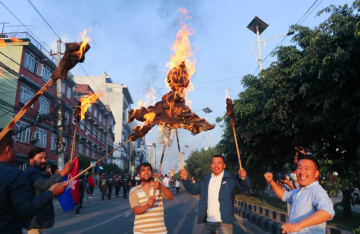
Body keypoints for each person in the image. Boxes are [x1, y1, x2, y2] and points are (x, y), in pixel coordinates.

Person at [0, 130, 68, 234]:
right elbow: (26, 209)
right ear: (8, 149)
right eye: (15, 146)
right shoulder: (15, 174)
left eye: (45, 158)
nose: (44, 161)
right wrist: (52, 191)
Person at [264, 155, 335, 233]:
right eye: (299, 168)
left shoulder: (317, 191)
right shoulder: (298, 191)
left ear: (316, 173)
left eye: (307, 169)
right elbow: (283, 195)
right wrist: (271, 182)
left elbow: (327, 211)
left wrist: (299, 225)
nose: (301, 172)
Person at [180, 155, 250, 234]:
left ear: (224, 165)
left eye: (219, 163)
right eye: (213, 163)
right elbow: (192, 189)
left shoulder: (231, 179)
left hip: (224, 223)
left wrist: (244, 178)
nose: (216, 165)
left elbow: (245, 188)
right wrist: (185, 179)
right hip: (209, 222)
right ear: (211, 165)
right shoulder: (206, 180)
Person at [24, 147, 73, 233]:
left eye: (45, 158)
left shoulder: (38, 172)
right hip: (34, 219)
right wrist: (63, 172)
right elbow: (44, 185)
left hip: (38, 219)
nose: (44, 161)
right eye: (40, 158)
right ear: (31, 160)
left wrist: (51, 176)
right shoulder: (31, 172)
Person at [129, 162, 173, 233]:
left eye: (148, 170)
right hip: (140, 232)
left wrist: (161, 187)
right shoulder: (134, 190)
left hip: (159, 231)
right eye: (143, 170)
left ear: (152, 173)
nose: (146, 172)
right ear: (139, 175)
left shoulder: (159, 186)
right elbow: (136, 210)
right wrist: (148, 205)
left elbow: (171, 197)